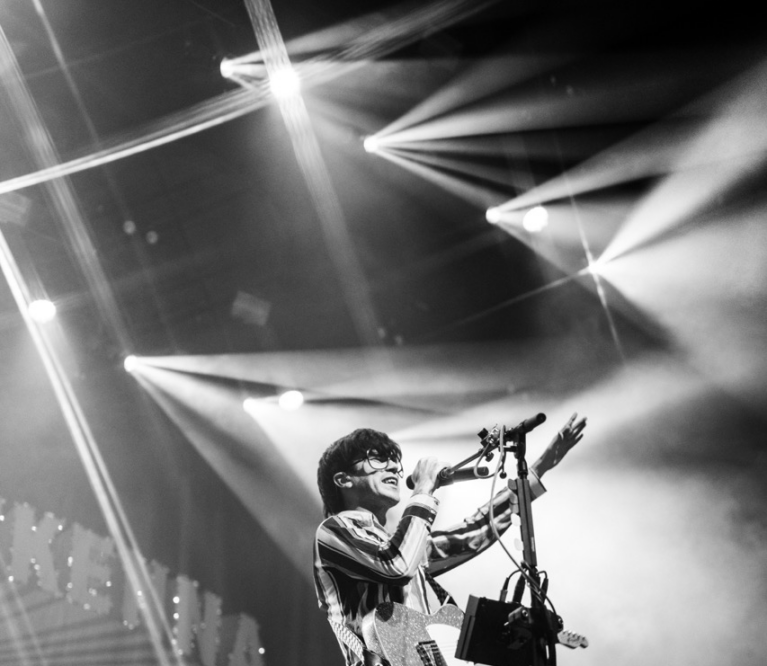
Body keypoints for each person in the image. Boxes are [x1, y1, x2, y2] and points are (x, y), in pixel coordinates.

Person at [313, 413, 587, 666]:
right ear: (343, 480)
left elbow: (471, 535)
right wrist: (423, 490)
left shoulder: (404, 542)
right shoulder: (333, 531)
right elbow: (396, 565)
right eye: (378, 459)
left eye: (395, 464)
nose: (394, 467)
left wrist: (539, 469)